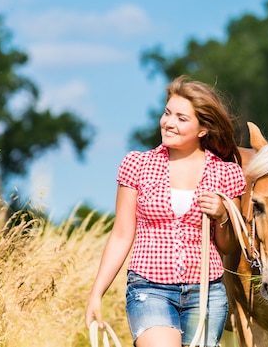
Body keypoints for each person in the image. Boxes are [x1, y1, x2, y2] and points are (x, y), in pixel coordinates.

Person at [85, 75, 246, 347]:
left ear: (203, 130)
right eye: (167, 113)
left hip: (206, 292)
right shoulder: (138, 165)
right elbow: (122, 235)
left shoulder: (226, 173)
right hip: (149, 288)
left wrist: (223, 215)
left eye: (182, 118)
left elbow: (228, 246)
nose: (169, 122)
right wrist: (96, 293)